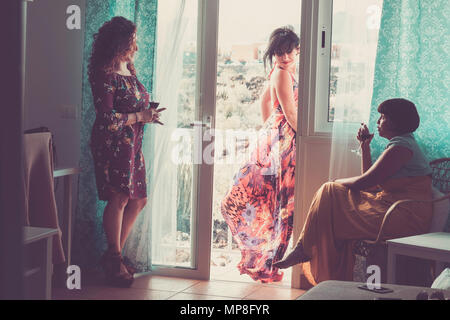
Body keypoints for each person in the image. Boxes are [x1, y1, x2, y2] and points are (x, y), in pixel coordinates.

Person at [274, 98, 433, 285]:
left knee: (330, 191)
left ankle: (306, 250)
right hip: (390, 207)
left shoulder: (400, 148)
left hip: (403, 216)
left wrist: (335, 182)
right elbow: (372, 183)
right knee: (331, 201)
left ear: (395, 122)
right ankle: (307, 251)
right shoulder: (400, 144)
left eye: (383, 117)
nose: (377, 121)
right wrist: (364, 145)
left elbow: (365, 182)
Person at [88, 16, 165, 287]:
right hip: (112, 144)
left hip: (133, 144)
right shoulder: (104, 73)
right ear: (119, 43)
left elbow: (132, 107)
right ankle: (115, 258)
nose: (137, 46)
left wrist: (148, 114)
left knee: (139, 200)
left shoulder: (128, 67)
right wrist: (139, 116)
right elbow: (107, 118)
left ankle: (113, 258)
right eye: (132, 40)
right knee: (119, 198)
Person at [221, 26, 300, 283]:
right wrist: (295, 135)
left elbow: (264, 101)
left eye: (288, 52)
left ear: (297, 51)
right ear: (273, 54)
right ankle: (267, 261)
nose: (284, 57)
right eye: (279, 53)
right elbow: (290, 113)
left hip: (277, 137)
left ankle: (266, 262)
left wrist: (270, 128)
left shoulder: (283, 71)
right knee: (276, 201)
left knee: (275, 201)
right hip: (284, 139)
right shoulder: (281, 73)